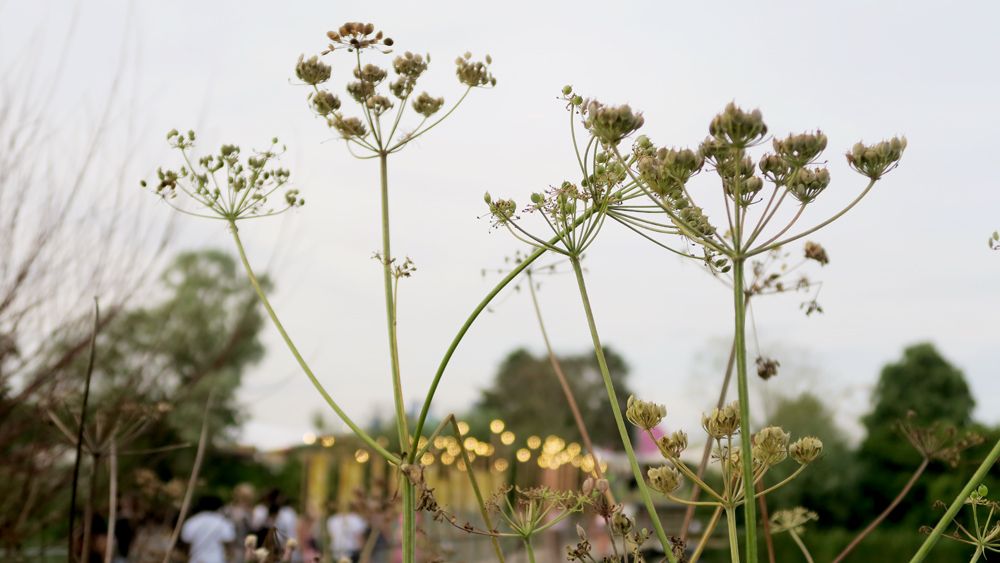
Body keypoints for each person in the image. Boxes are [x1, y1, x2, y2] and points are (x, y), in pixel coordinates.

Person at [181, 495, 236, 563]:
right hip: (217, 560)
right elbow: (229, 542)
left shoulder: (191, 522)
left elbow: (186, 542)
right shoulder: (223, 522)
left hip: (196, 560)